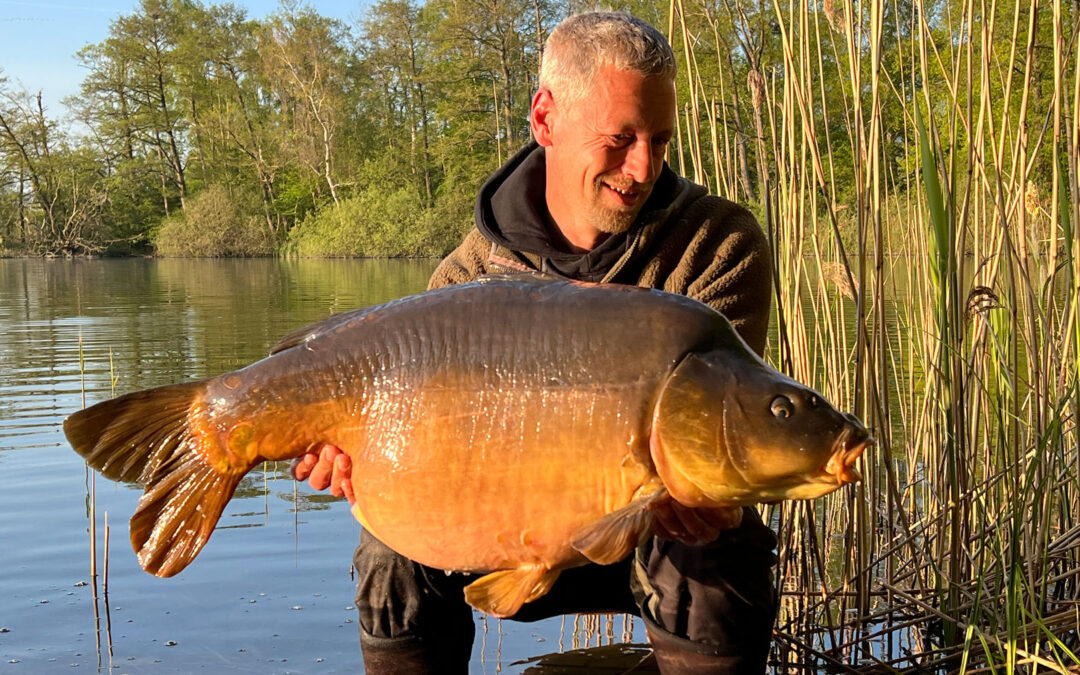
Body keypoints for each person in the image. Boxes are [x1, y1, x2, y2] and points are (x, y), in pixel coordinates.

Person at [293, 11, 778, 674]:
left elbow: (723, 437)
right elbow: (408, 454)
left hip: (651, 538)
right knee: (387, 552)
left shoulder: (715, 246)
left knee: (719, 546)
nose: (642, 167)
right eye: (620, 138)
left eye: (660, 141)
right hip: (501, 534)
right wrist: (357, 461)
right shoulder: (466, 277)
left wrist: (707, 495)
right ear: (546, 118)